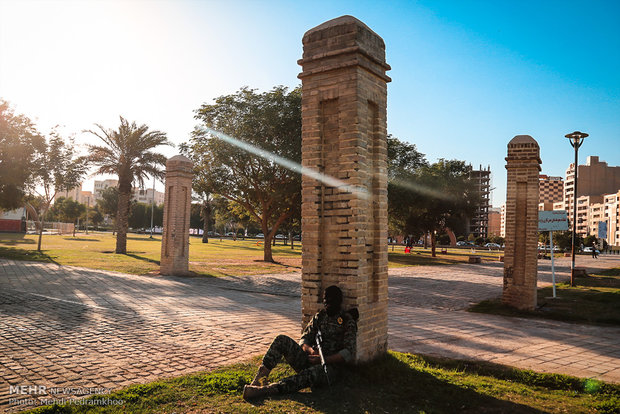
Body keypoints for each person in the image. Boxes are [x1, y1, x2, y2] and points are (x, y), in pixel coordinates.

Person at [243, 285, 357, 400]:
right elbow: (304, 339)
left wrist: (323, 359)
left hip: (330, 369)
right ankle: (259, 379)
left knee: (309, 374)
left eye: (330, 302)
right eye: (325, 301)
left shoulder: (347, 321)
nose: (327, 305)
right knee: (281, 340)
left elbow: (348, 352)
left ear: (338, 302)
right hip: (311, 360)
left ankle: (266, 390)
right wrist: (310, 350)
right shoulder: (320, 317)